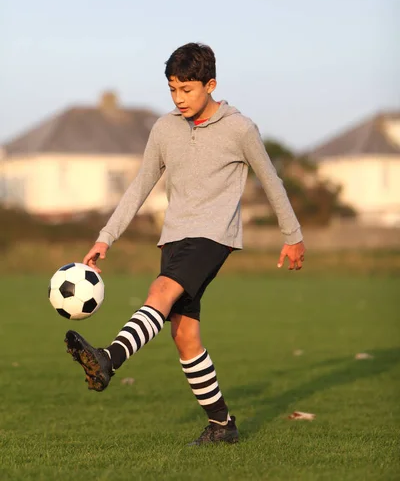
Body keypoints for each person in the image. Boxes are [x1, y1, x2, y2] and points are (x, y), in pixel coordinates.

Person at [65, 42, 305, 446]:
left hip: (214, 237)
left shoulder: (240, 128)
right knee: (184, 336)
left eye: (187, 90)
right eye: (173, 89)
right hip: (173, 236)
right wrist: (105, 238)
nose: (179, 99)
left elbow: (270, 179)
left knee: (159, 291)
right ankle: (222, 426)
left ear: (210, 84)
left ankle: (109, 359)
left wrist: (292, 235)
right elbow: (140, 186)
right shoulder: (164, 129)